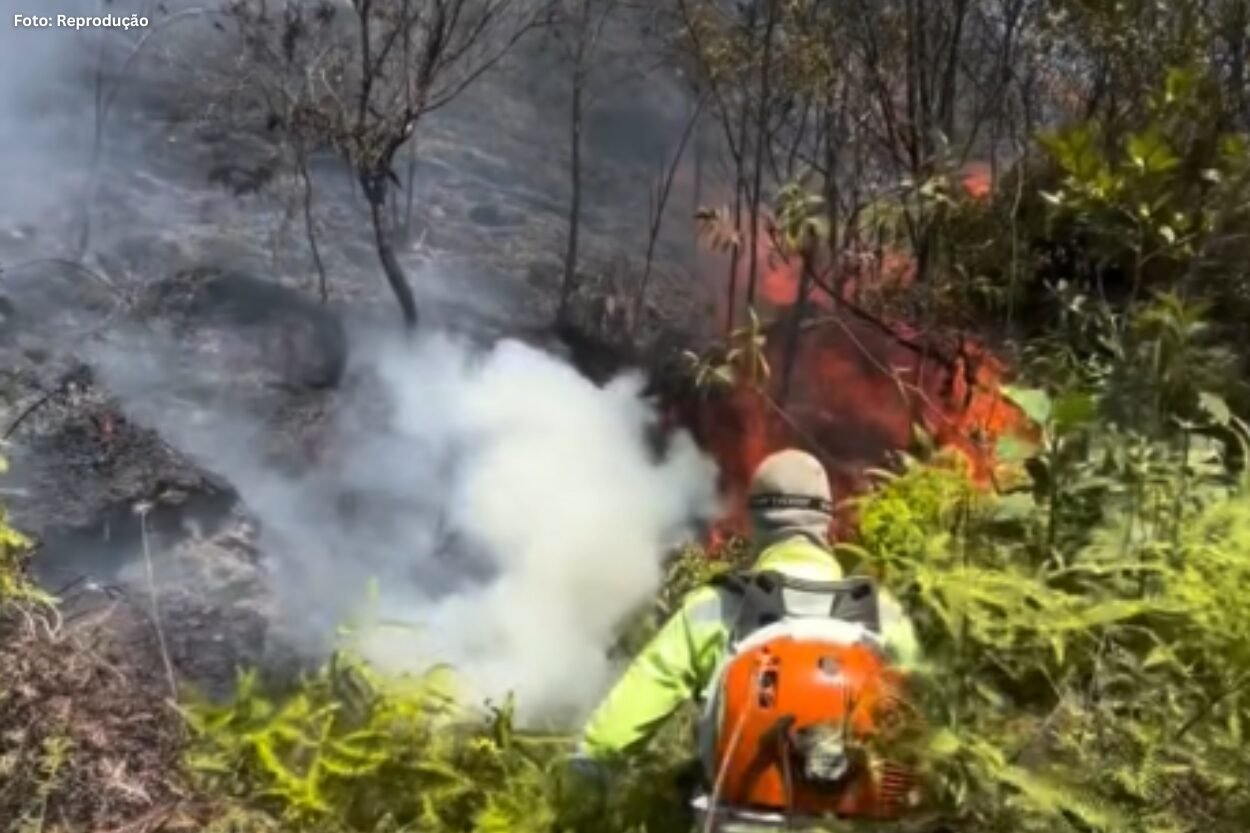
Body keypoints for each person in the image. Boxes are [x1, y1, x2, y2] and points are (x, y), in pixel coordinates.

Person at [562, 448, 922, 828]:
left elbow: (622, 721)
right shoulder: (885, 616)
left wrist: (579, 788)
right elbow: (923, 728)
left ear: (756, 522)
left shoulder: (715, 608)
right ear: (826, 522)